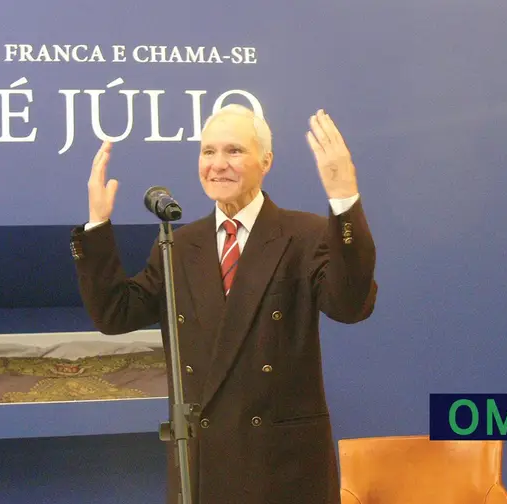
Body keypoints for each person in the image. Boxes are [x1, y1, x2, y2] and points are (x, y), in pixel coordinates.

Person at [69, 104, 378, 504]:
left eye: (234, 151)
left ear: (266, 161)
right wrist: (96, 225)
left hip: (283, 470)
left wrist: (343, 200)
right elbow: (115, 313)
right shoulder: (179, 246)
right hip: (203, 469)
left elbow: (351, 305)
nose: (217, 165)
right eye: (208, 152)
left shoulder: (305, 234)